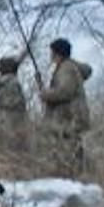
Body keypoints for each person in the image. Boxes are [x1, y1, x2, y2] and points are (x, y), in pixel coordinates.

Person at [39, 39, 93, 173]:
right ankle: (76, 177)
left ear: (58, 53)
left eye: (52, 52)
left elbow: (65, 92)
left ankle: (71, 179)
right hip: (72, 118)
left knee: (67, 154)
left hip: (68, 119)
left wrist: (45, 94)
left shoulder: (66, 68)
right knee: (73, 151)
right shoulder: (69, 67)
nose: (50, 56)